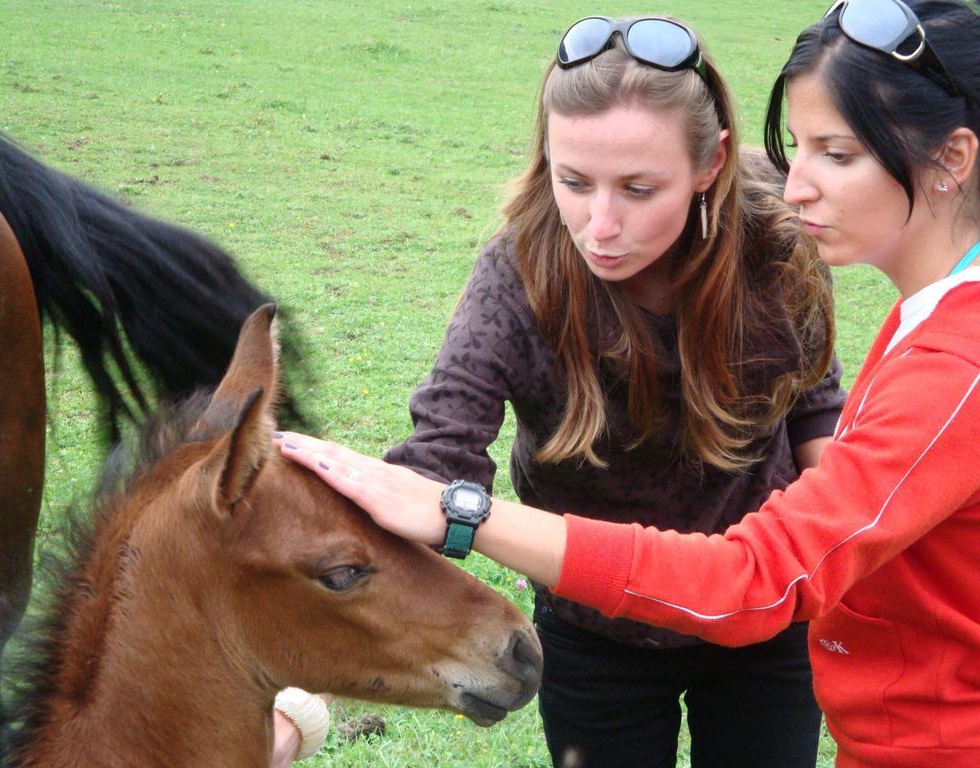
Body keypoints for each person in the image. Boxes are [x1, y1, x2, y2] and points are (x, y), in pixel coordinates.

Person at [278, 1, 980, 766]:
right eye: (573, 181)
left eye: (639, 190)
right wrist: (306, 678)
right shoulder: (520, 278)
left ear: (710, 163)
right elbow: (433, 463)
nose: (599, 226)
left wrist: (829, 547)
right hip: (600, 626)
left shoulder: (803, 261)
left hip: (779, 630)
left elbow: (776, 521)